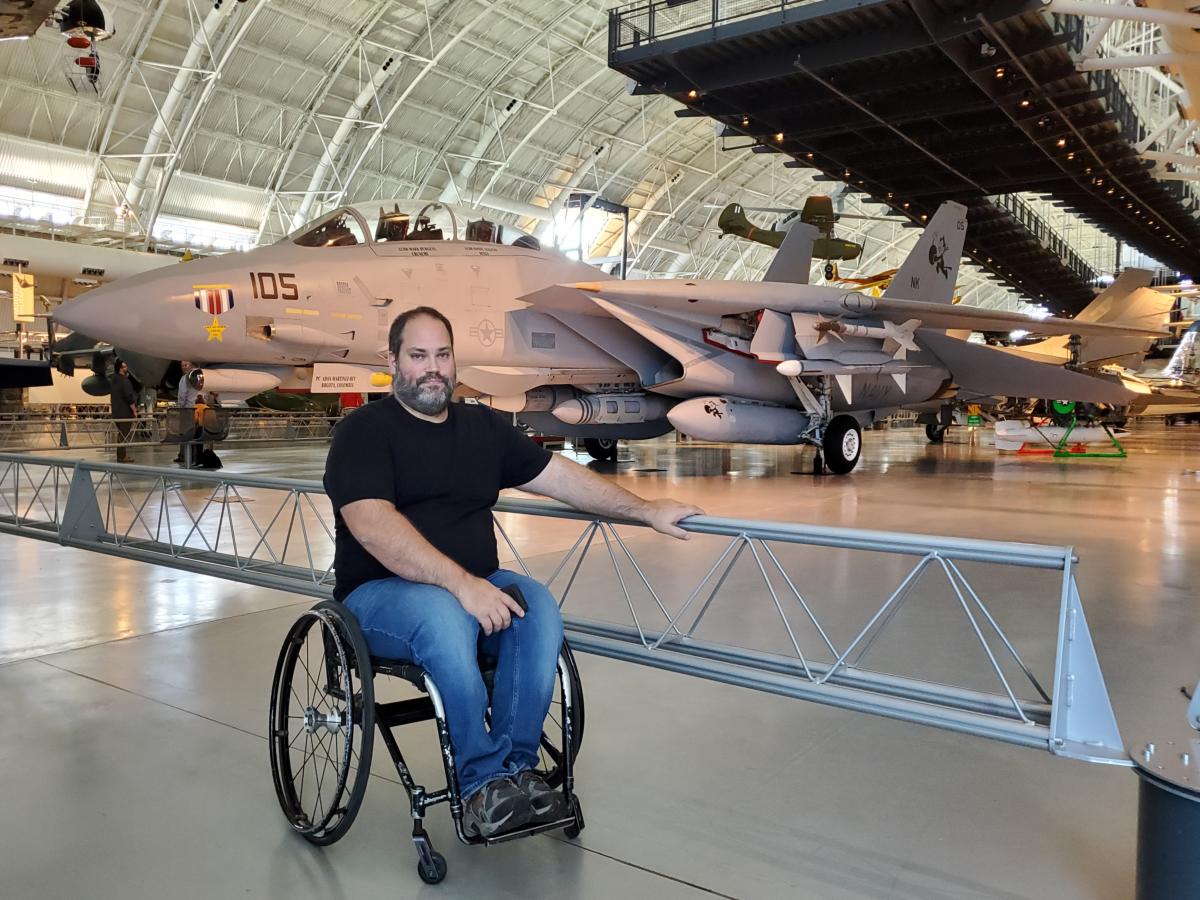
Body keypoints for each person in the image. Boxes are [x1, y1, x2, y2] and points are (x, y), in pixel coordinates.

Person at [324, 306, 702, 840]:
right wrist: (461, 585)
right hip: (381, 597)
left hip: (474, 588)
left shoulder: (483, 427)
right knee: (442, 615)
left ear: (455, 360)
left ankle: (516, 772)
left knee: (537, 605)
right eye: (417, 356)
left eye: (442, 354)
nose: (433, 368)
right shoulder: (362, 433)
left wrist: (645, 509)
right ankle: (480, 784)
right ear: (392, 362)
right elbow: (372, 525)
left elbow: (561, 478)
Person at [110, 359, 137, 463]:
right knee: (124, 434)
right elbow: (129, 397)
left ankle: (120, 455)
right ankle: (122, 456)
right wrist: (134, 410)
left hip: (116, 412)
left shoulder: (114, 379)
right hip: (125, 412)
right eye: (125, 367)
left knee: (121, 434)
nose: (127, 368)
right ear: (120, 368)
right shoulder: (125, 381)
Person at [175, 360, 198, 464]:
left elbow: (183, 395)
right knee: (191, 434)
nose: (184, 367)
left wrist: (181, 407)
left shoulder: (187, 378)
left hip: (187, 410)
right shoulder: (196, 376)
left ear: (191, 365)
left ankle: (185, 456)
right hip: (193, 409)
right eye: (182, 365)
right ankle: (189, 455)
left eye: (186, 365)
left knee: (185, 434)